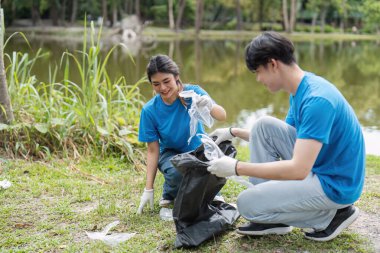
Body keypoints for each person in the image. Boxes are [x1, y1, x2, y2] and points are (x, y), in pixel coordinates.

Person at [208, 31, 365, 242]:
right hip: (322, 164)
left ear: (273, 64)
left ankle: (331, 216)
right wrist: (232, 132)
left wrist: (236, 167)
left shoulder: (317, 100)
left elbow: (298, 169)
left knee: (247, 204)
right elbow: (286, 139)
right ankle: (273, 218)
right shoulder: (300, 89)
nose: (258, 79)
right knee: (263, 125)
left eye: (258, 71)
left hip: (336, 184)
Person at [137, 54, 227, 214]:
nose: (163, 88)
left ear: (176, 77)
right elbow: (152, 150)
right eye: (156, 84)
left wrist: (208, 105)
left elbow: (222, 116)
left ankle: (211, 192)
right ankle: (170, 192)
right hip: (170, 154)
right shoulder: (149, 110)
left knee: (215, 167)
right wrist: (148, 189)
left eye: (166, 81)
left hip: (198, 149)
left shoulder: (194, 93)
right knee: (178, 174)